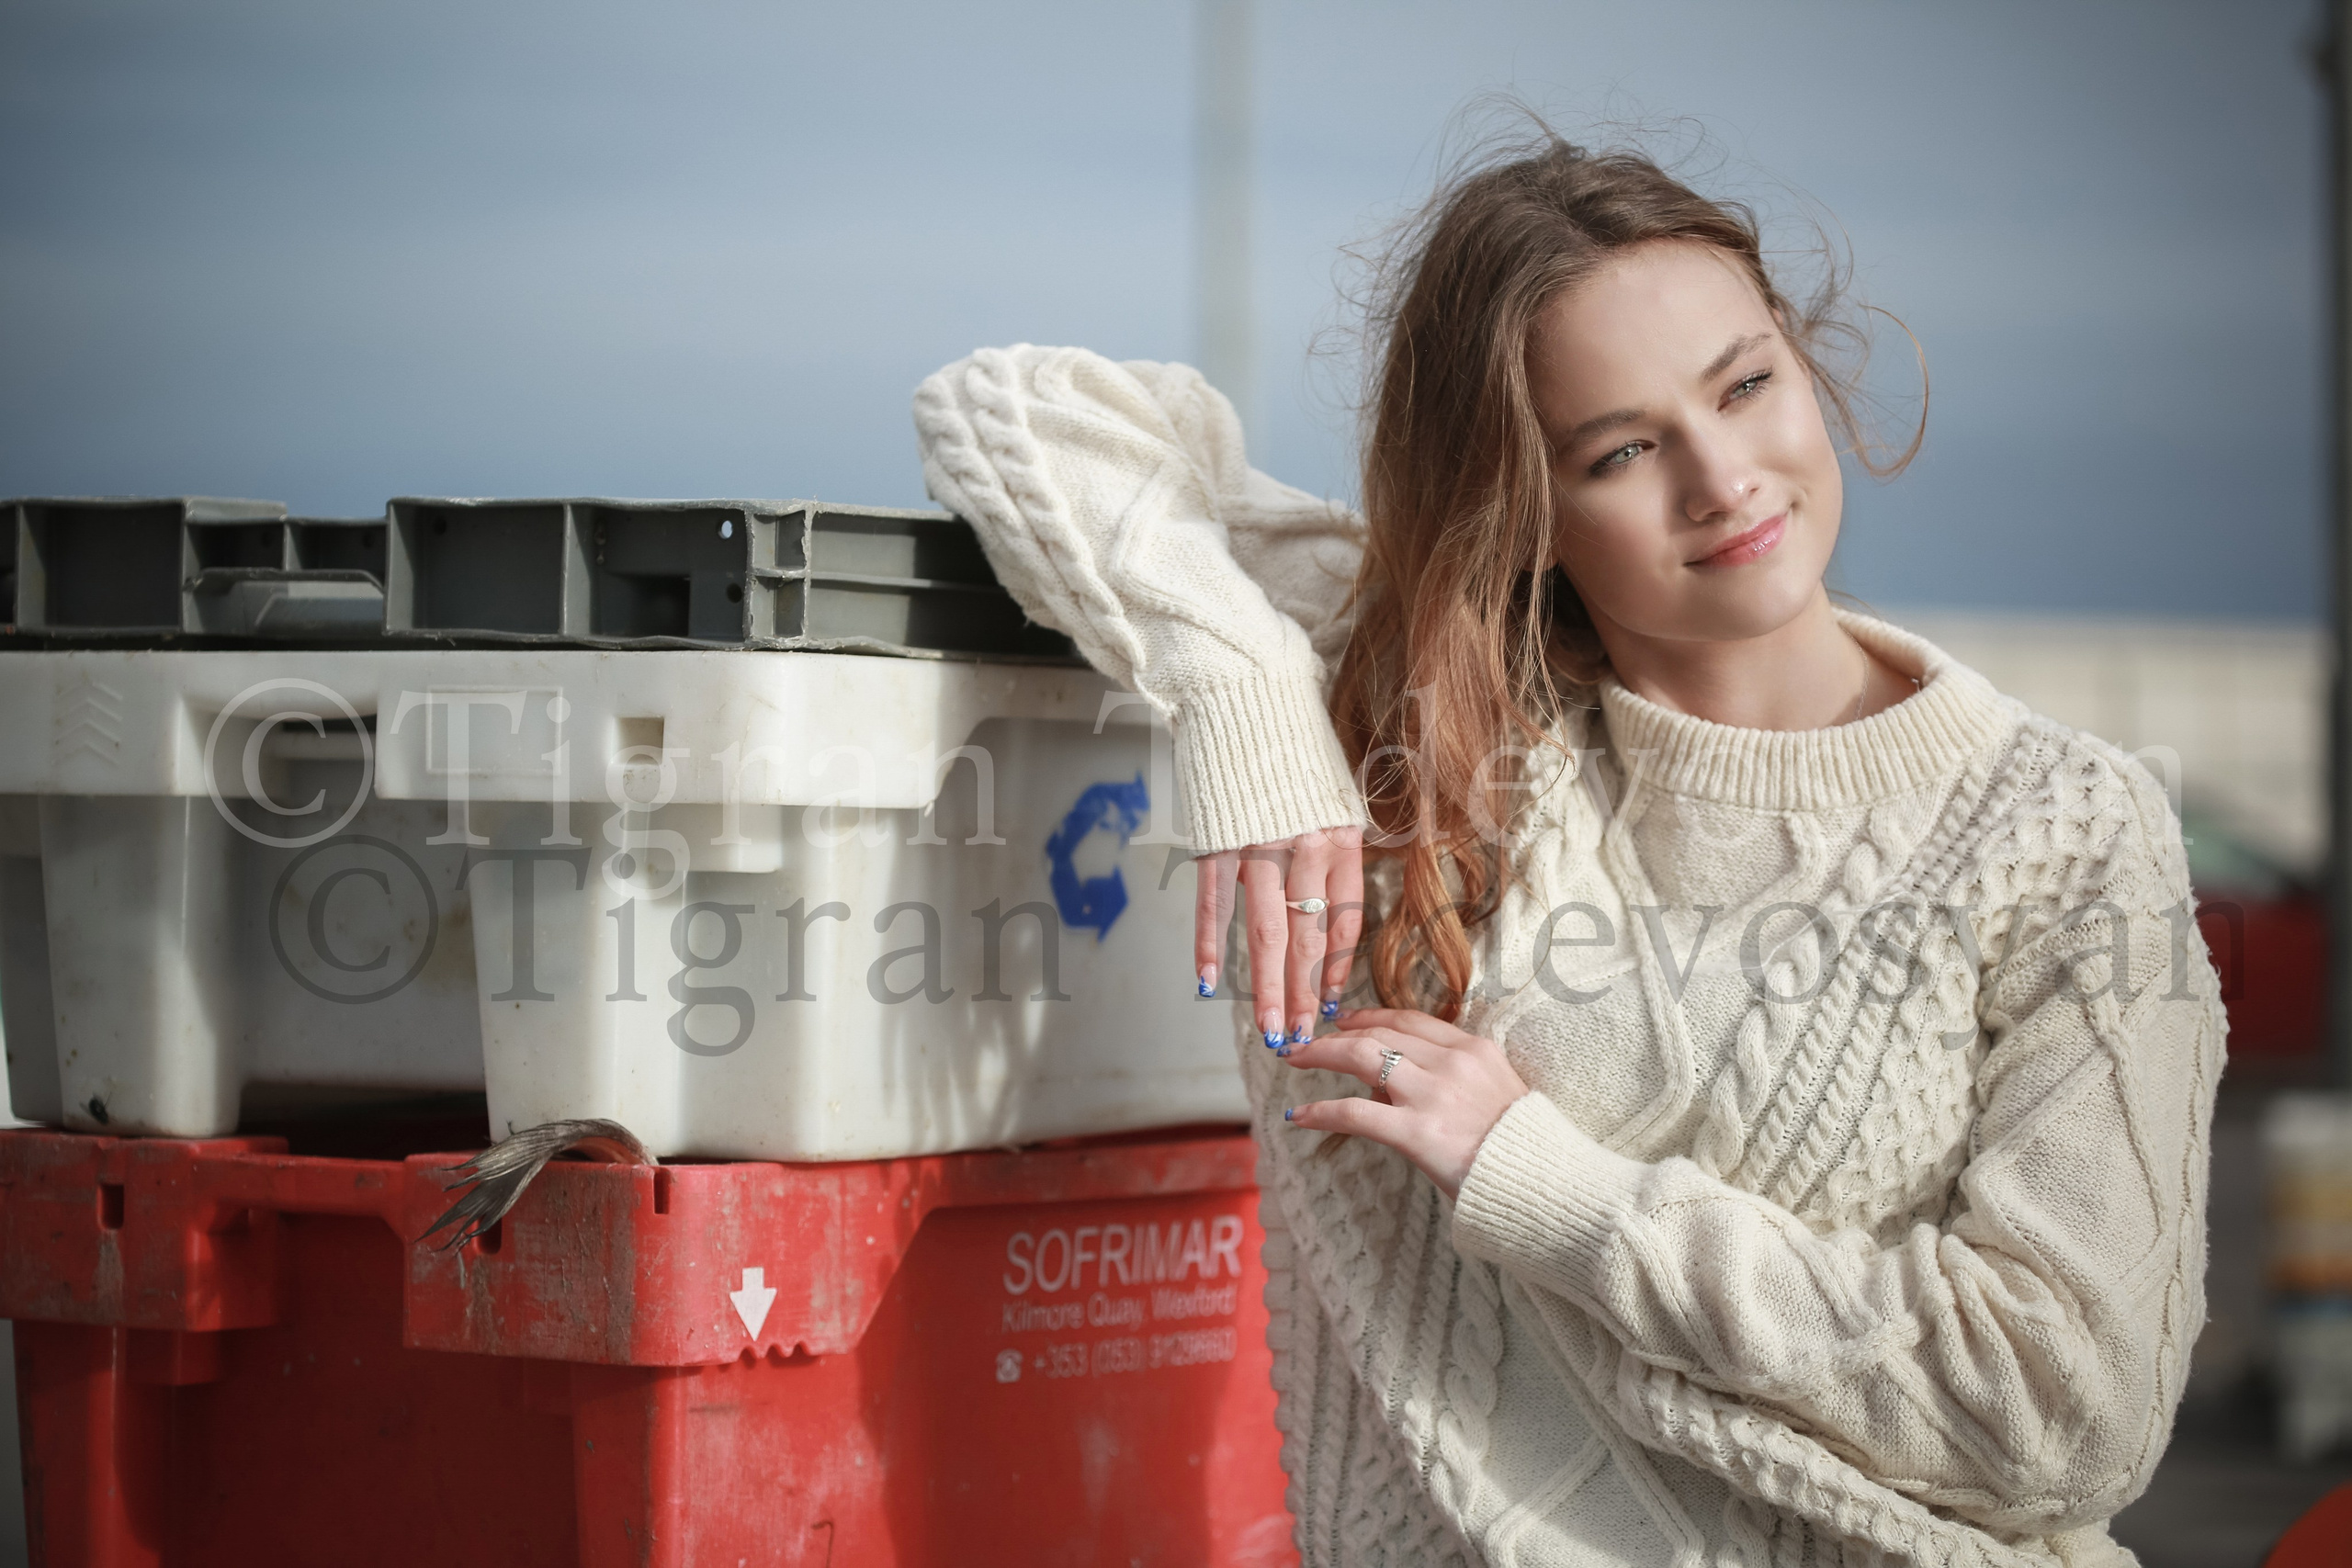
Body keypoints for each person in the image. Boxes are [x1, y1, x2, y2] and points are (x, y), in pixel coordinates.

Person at [912, 129, 2222, 1566]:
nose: (1723, 479)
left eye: (1745, 384)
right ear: (1526, 508)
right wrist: (1242, 699)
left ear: (1807, 359)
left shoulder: (2067, 833)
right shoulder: (1418, 705)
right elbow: (1013, 409)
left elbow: (2068, 1420)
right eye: (1623, 450)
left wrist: (1545, 1185)